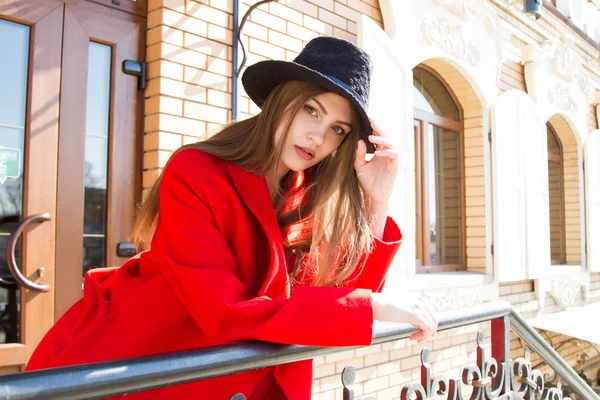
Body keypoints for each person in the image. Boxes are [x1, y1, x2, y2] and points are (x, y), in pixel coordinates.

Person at [25, 36, 437, 399]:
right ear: (281, 100)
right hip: (138, 361)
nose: (319, 136)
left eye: (339, 129)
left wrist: (376, 200)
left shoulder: (309, 197)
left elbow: (344, 297)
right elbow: (226, 310)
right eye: (311, 110)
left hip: (241, 379)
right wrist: (371, 307)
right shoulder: (197, 171)